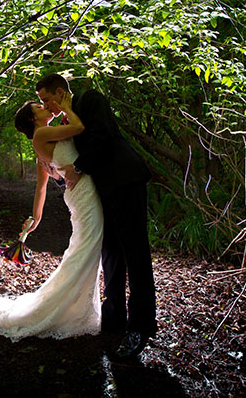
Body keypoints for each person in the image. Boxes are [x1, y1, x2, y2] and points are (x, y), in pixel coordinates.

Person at [35, 73, 156, 359]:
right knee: (110, 252)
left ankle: (140, 327)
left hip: (125, 181)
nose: (46, 106)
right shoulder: (66, 121)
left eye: (47, 99)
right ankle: (114, 316)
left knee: (135, 254)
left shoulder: (90, 100)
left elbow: (102, 136)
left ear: (61, 92)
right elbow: (64, 163)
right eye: (41, 102)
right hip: (100, 192)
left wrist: (77, 168)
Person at [0, 92, 105, 340]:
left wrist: (34, 220)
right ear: (33, 118)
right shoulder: (42, 134)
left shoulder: (45, 139)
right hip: (82, 194)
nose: (44, 106)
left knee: (84, 248)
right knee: (87, 248)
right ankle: (69, 308)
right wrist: (64, 106)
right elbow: (79, 127)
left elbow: (41, 189)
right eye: (39, 106)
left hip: (80, 194)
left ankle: (73, 306)